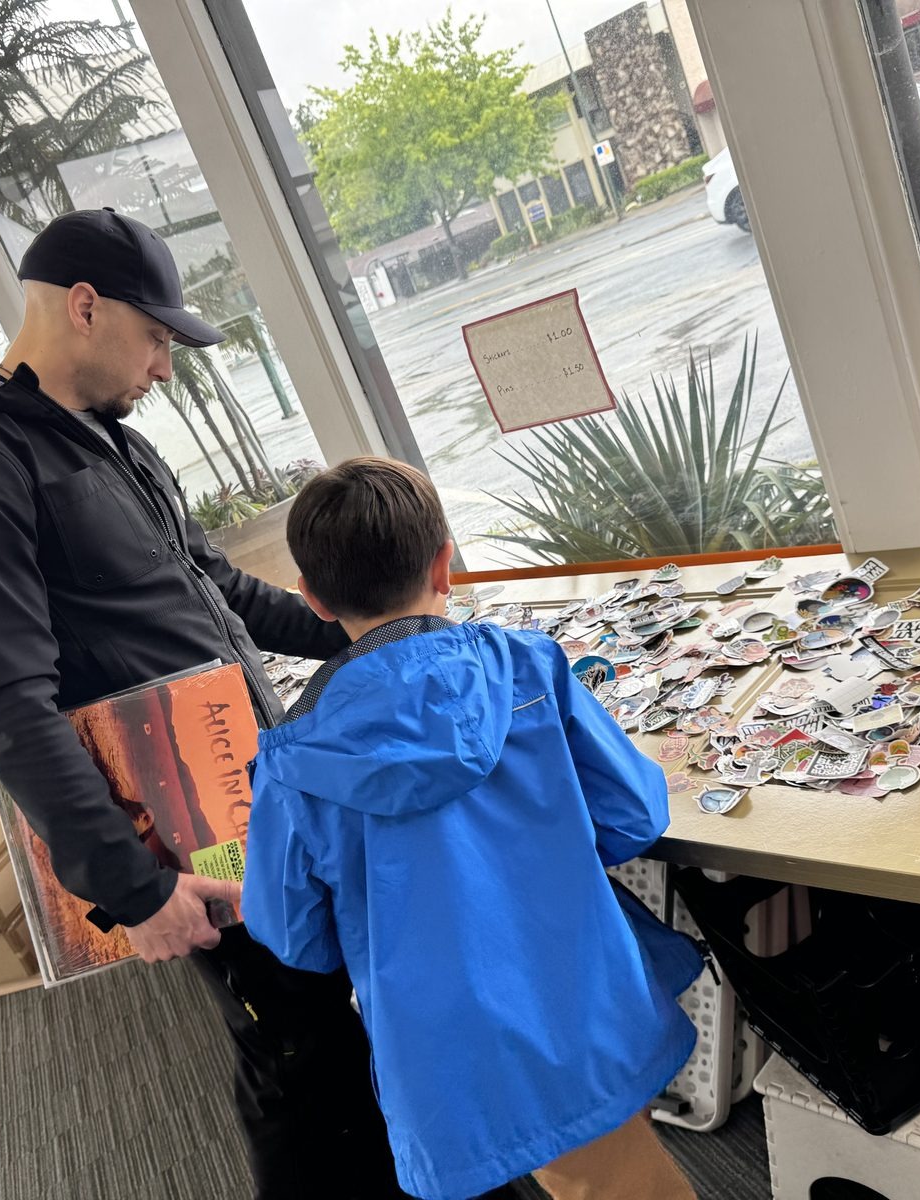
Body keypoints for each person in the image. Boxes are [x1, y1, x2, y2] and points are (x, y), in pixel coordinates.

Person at [0, 209, 406, 1199]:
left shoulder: (113, 442)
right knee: (294, 1052)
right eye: (156, 337)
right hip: (173, 836)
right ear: (85, 307)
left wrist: (377, 625)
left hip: (250, 794)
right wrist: (134, 887)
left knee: (341, 1021)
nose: (164, 366)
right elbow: (7, 707)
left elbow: (219, 592)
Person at [242, 457, 706, 1200]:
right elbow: (636, 815)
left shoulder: (292, 764)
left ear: (313, 599)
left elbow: (295, 936)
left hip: (451, 1046)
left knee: (595, 1173)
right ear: (444, 564)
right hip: (582, 988)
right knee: (616, 1172)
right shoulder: (527, 665)